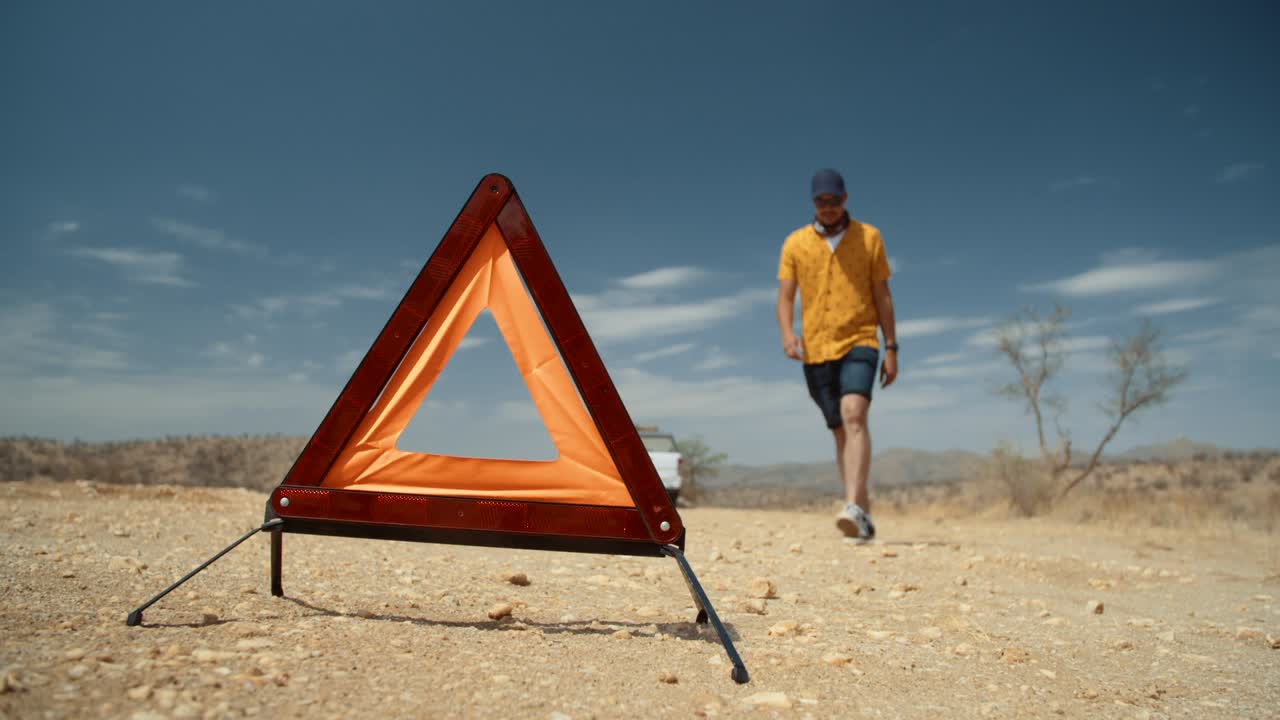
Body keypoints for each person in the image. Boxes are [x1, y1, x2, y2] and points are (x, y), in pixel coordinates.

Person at [776, 168, 898, 541]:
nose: (827, 208)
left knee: (854, 414)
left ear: (844, 199)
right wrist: (787, 334)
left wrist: (891, 345)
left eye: (833, 200)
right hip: (816, 347)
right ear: (814, 202)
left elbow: (882, 295)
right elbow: (785, 296)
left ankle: (851, 506)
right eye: (820, 201)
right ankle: (861, 507)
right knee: (840, 431)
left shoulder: (869, 237)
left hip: (861, 339)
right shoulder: (795, 243)